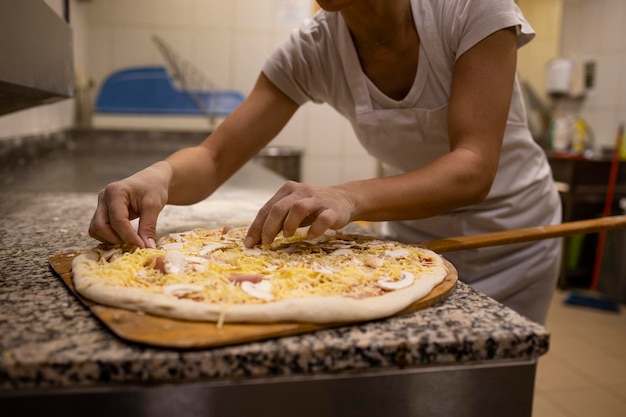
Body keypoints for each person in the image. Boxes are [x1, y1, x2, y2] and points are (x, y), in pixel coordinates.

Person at [88, 0, 562, 324]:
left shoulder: (470, 8)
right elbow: (214, 156)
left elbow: (474, 167)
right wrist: (159, 175)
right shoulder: (313, 49)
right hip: (418, 246)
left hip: (518, 237)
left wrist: (347, 196)